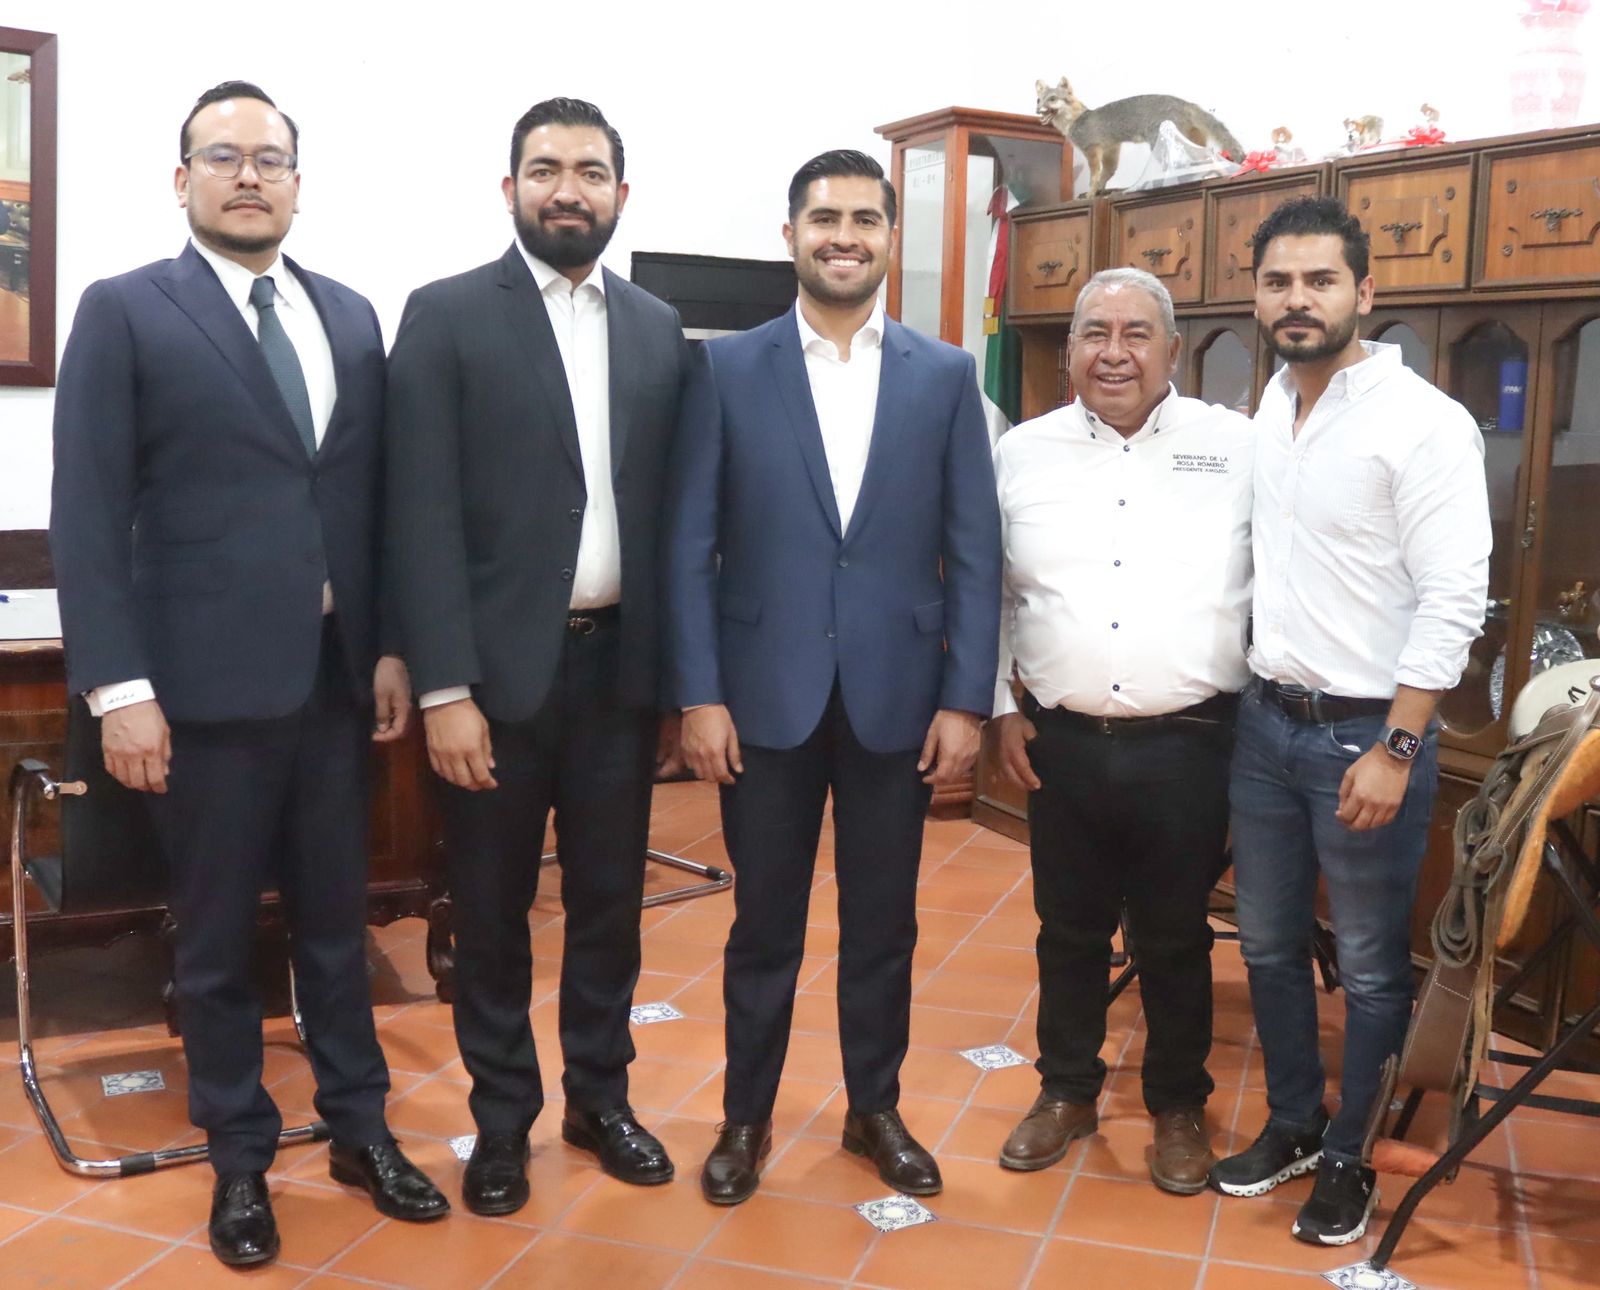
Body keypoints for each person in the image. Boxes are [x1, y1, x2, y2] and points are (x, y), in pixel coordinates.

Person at [49, 82, 447, 1268]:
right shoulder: (126, 310)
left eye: (270, 158)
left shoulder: (351, 316)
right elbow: (86, 513)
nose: (248, 175)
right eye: (222, 157)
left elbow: (367, 502)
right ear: (183, 181)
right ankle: (238, 1158)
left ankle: (361, 1131)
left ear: (297, 183)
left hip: (331, 686)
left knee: (338, 930)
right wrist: (119, 690)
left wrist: (388, 643)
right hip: (200, 698)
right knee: (218, 941)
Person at [663, 149, 1002, 1206]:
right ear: (791, 235)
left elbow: (975, 550)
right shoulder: (726, 369)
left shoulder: (945, 376)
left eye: (864, 219)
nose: (843, 236)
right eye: (824, 218)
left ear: (891, 237)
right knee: (762, 924)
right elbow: (688, 546)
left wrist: (965, 698)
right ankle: (744, 1119)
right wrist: (699, 694)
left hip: (897, 698)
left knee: (883, 925)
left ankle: (874, 1110)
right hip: (762, 696)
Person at [384, 98, 689, 1216]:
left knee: (609, 907)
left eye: (591, 171)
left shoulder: (658, 328)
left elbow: (674, 515)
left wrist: (676, 684)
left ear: (621, 193)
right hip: (493, 685)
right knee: (492, 911)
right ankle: (503, 1119)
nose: (570, 189)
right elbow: (416, 513)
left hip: (619, 675)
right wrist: (444, 688)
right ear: (509, 187)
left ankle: (600, 1101)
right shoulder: (446, 315)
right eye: (547, 169)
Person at [1211, 195, 1490, 1245]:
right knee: (1269, 942)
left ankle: (1350, 1155)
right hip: (1265, 725)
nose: (1298, 299)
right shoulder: (1270, 409)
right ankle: (1293, 1123)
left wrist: (1398, 746)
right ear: (1256, 296)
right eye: (1278, 282)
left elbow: (1454, 599)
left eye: (1320, 280)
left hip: (1367, 735)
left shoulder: (1423, 422)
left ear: (1364, 292)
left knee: (1371, 963)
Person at [990, 267, 1253, 1194]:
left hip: (1191, 744)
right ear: (1068, 351)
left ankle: (1178, 1107)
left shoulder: (1237, 448)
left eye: (1136, 334)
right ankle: (1065, 1090)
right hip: (1058, 742)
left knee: (1175, 935)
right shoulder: (1021, 453)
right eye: (1094, 334)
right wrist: (999, 707)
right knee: (1066, 930)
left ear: (1173, 349)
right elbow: (993, 592)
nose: (1114, 353)